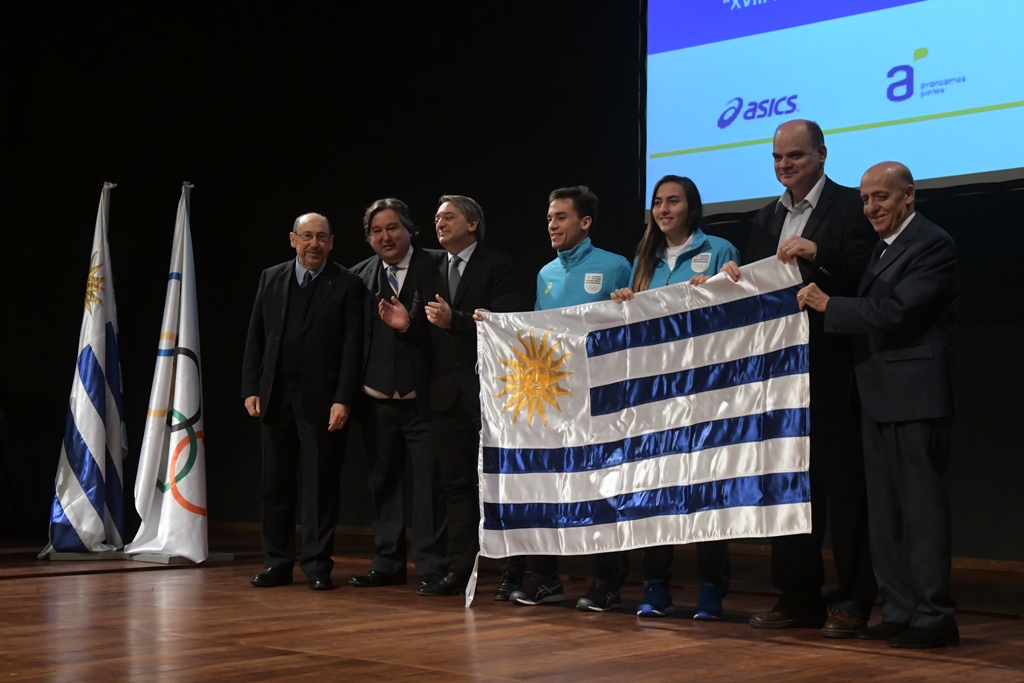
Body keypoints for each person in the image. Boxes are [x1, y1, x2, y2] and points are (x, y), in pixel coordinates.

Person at [714, 119, 879, 637]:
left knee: (845, 490)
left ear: (822, 155)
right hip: (779, 375)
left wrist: (819, 256)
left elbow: (865, 277)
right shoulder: (764, 217)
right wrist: (731, 282)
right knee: (789, 489)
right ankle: (797, 597)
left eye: (796, 157)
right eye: (778, 158)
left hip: (834, 370)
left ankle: (852, 598)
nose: (785, 166)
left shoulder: (853, 206)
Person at [798, 161, 960, 649]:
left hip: (914, 397)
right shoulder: (882, 247)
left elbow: (896, 311)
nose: (871, 208)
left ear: (908, 196)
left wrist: (831, 305)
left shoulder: (933, 243)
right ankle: (900, 607)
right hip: (875, 397)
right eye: (866, 199)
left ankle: (934, 616)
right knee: (884, 514)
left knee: (920, 512)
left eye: (882, 198)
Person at [379, 194, 525, 596]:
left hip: (493, 395)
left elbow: (508, 327)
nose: (440, 224)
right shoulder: (430, 269)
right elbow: (425, 337)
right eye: (437, 219)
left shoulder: (499, 266)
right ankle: (460, 570)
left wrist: (455, 321)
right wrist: (407, 326)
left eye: (449, 217)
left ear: (472, 224)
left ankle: (513, 572)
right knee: (456, 488)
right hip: (444, 398)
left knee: (503, 485)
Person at [610, 174, 740, 620]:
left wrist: (720, 288)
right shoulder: (643, 260)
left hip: (704, 390)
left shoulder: (719, 250)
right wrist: (626, 298)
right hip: (655, 394)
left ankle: (710, 589)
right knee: (654, 489)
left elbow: (737, 312)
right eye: (658, 203)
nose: (664, 210)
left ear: (691, 207)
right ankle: (656, 585)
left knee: (706, 490)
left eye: (673, 202)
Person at [506, 185, 633, 611]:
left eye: (561, 217)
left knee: (602, 487)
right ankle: (545, 580)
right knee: (548, 483)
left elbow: (635, 324)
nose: (552, 225)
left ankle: (608, 581)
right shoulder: (545, 273)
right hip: (555, 401)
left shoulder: (616, 266)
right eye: (549, 218)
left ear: (585, 222)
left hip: (601, 398)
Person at [242, 213, 363, 591]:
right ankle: (277, 563)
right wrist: (251, 387)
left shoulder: (347, 284)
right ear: (293, 240)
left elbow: (352, 349)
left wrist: (343, 399)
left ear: (331, 243)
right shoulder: (271, 277)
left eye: (322, 238)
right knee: (274, 484)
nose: (314, 244)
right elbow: (256, 336)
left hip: (322, 402)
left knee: (319, 485)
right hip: (275, 397)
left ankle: (316, 566)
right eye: (307, 237)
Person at [348, 198, 447, 591]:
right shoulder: (358, 277)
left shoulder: (438, 266)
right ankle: (387, 562)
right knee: (383, 483)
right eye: (376, 231)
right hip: (376, 402)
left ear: (409, 229)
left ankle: (431, 566)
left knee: (429, 487)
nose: (385, 237)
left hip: (424, 400)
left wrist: (409, 328)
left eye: (392, 228)